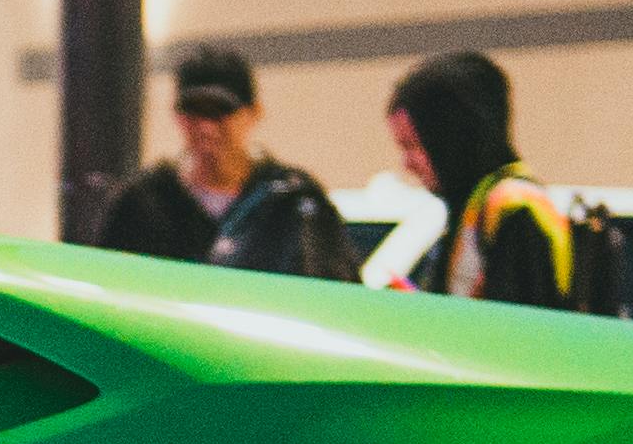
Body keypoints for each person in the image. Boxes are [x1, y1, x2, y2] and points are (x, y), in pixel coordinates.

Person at [95, 44, 356, 280]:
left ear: (253, 113)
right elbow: (106, 286)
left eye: (220, 111)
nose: (206, 127)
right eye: (193, 112)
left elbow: (336, 290)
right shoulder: (141, 203)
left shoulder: (292, 203)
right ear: (177, 116)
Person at [383, 49, 592, 309]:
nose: (407, 164)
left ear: (451, 137)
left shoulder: (515, 207)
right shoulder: (478, 204)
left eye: (413, 145)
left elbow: (515, 323)